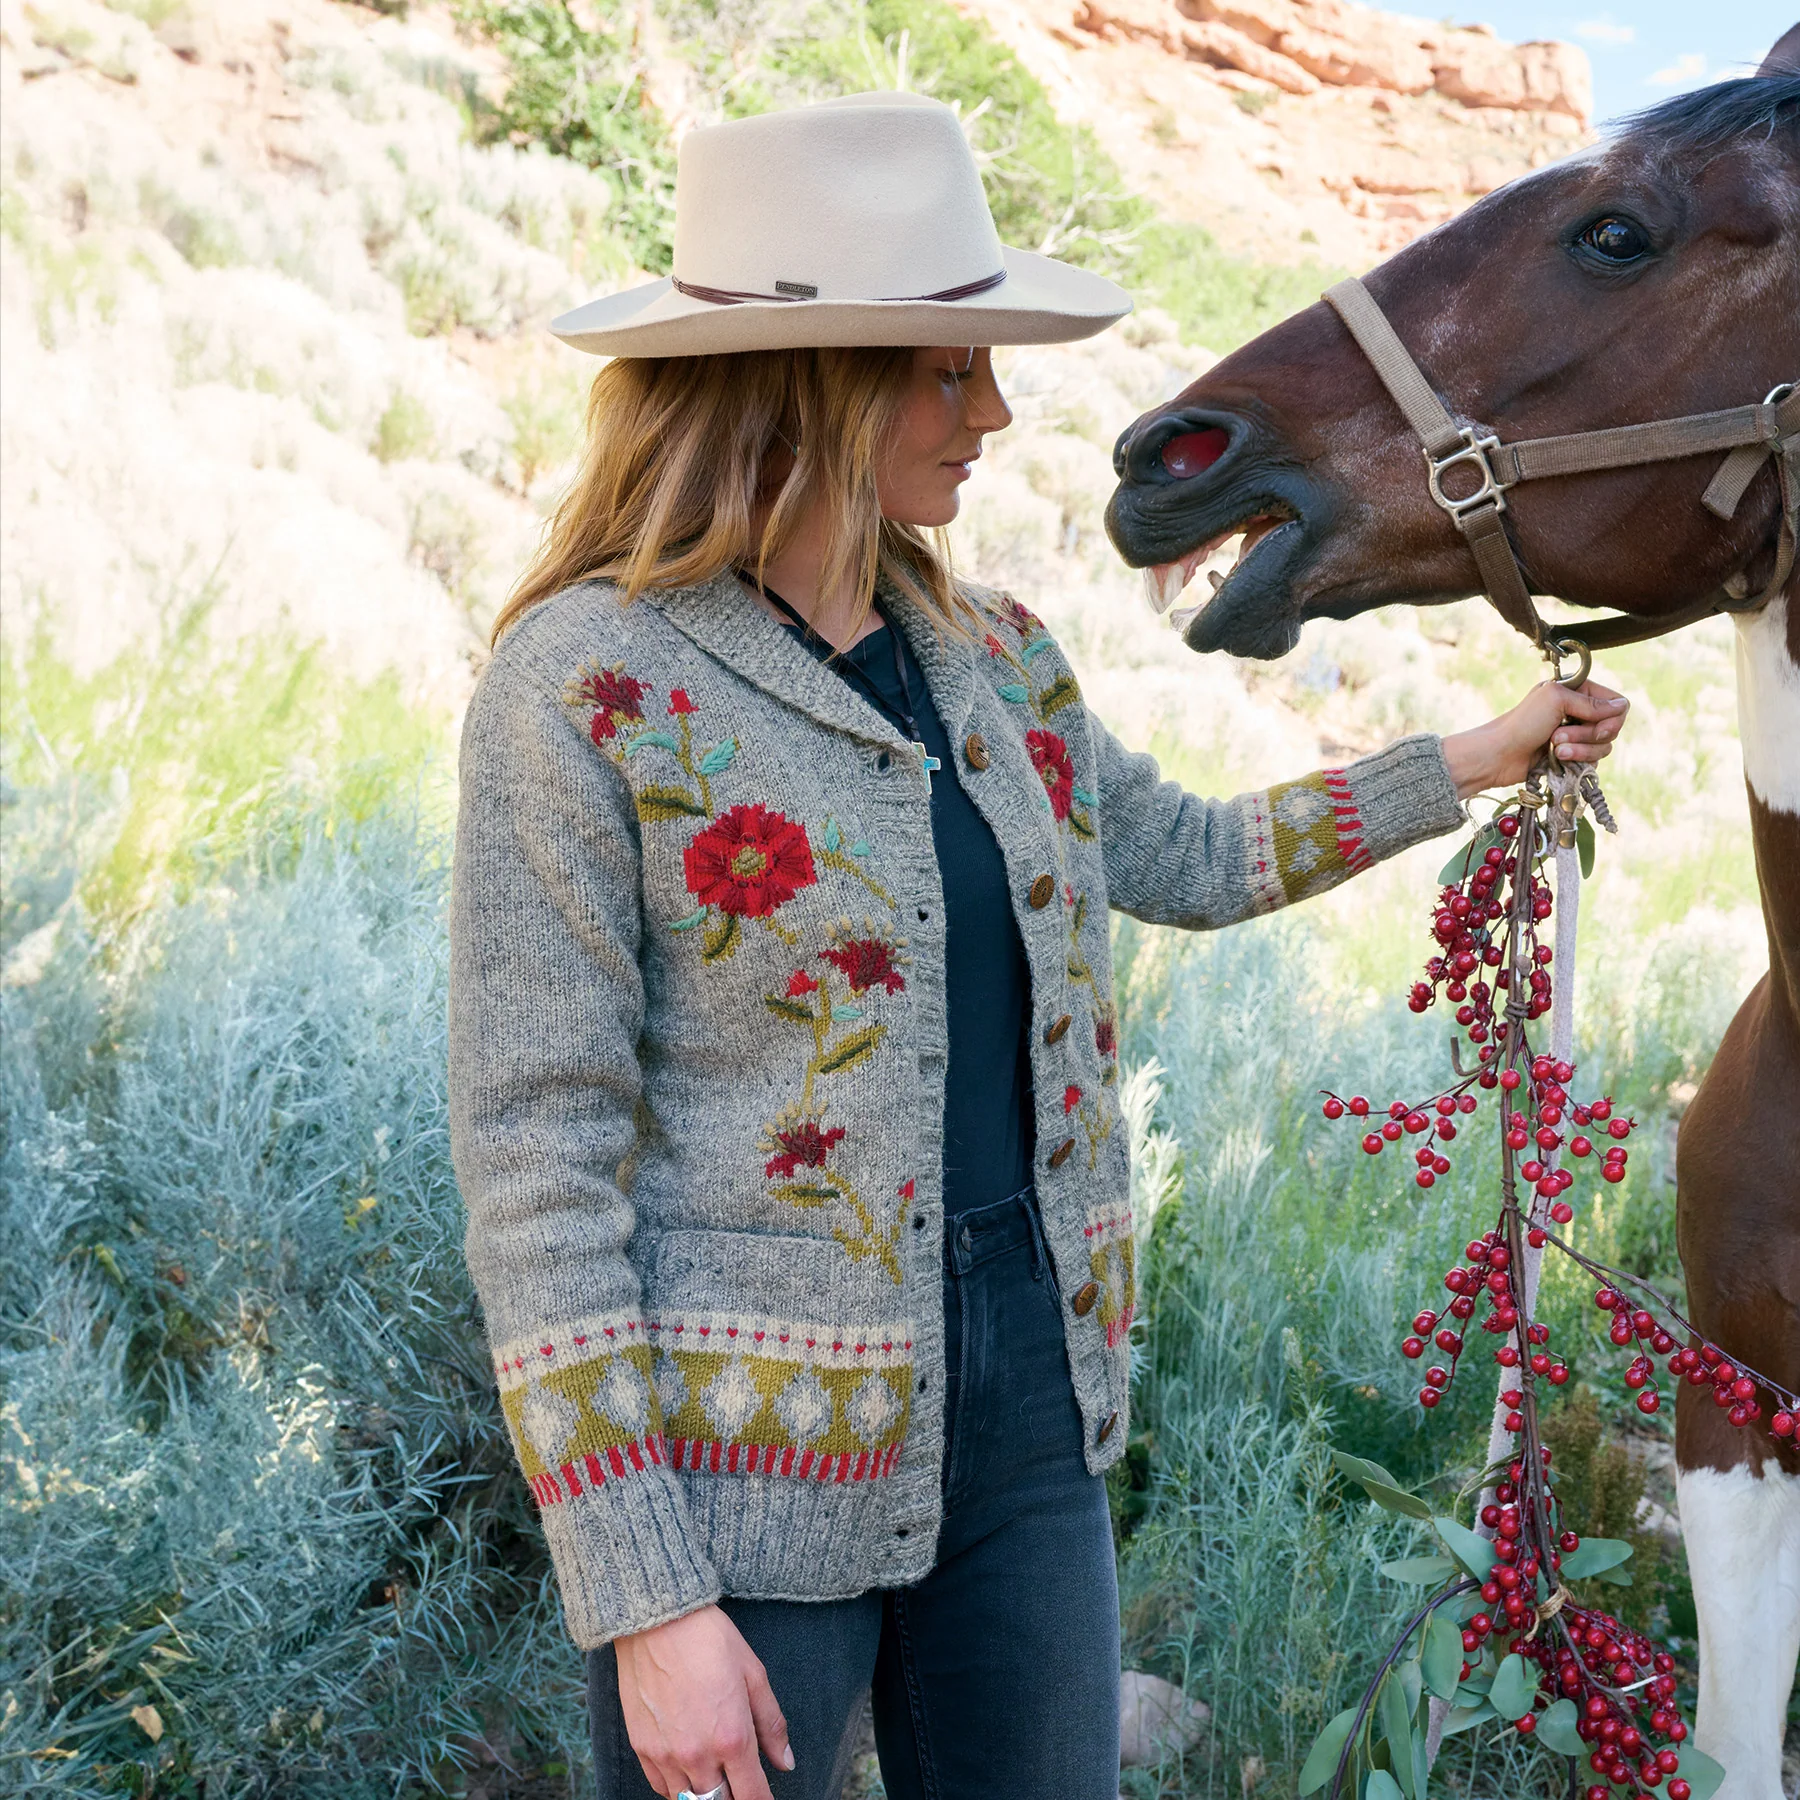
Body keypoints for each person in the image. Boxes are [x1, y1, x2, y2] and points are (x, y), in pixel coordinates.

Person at [445, 91, 1630, 1800]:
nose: (993, 408)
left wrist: (1466, 757)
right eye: (949, 368)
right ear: (814, 378)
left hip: (1031, 1415)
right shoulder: (585, 685)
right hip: (737, 1456)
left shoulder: (998, 653)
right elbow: (533, 1156)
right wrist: (645, 1599)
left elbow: (1185, 855)